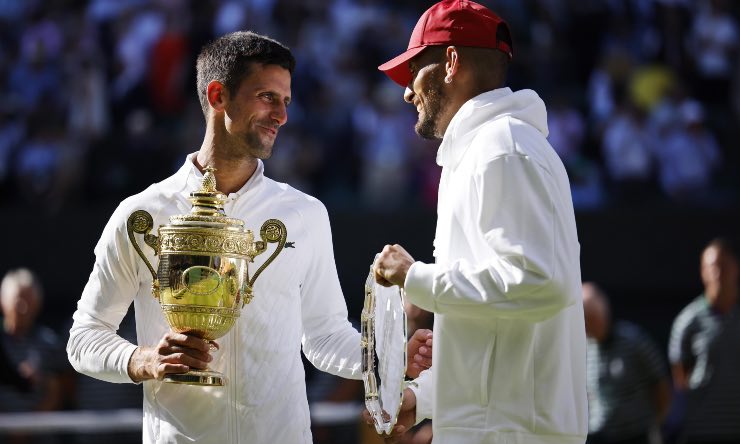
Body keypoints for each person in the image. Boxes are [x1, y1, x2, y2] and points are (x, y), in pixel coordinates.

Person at [66, 31, 430, 444]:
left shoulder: (305, 213)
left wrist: (387, 357)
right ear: (218, 95)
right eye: (267, 97)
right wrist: (143, 359)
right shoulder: (141, 214)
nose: (282, 116)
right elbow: (84, 338)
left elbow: (325, 336)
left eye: (286, 101)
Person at [372, 1, 588, 442]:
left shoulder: (502, 148)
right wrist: (425, 397)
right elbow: (494, 328)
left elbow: (541, 282)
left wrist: (416, 277)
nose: (407, 93)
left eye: (414, 70)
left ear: (450, 63)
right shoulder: (487, 150)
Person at [668, 237, 740, 443]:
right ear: (702, 272)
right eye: (711, 267)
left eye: (723, 266)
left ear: (735, 268)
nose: (717, 274)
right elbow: (680, 377)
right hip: (702, 431)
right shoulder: (687, 321)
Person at [582, 282, 671, 444]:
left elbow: (660, 384)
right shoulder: (584, 348)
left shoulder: (634, 340)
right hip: (599, 435)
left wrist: (656, 424)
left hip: (637, 435)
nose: (588, 326)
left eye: (591, 318)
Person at [1, 269, 69, 443]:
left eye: (29, 300)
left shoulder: (50, 343)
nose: (23, 307)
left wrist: (27, 428)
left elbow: (58, 392)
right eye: (18, 300)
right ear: (3, 301)